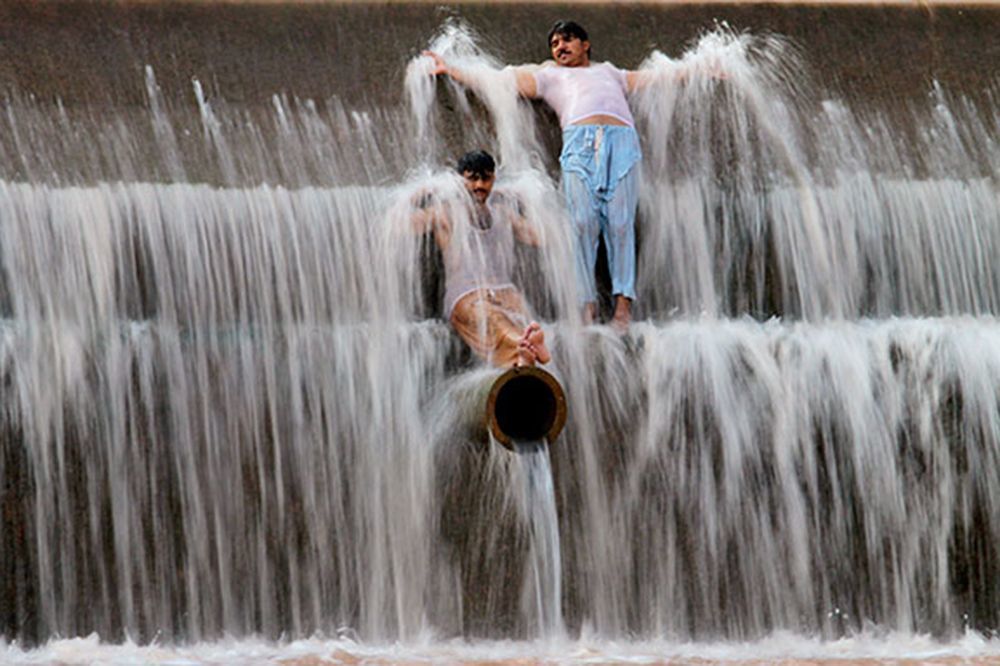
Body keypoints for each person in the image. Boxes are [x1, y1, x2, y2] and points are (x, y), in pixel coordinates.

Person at [426, 20, 648, 329]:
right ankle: (588, 306)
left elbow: (657, 77)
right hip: (579, 145)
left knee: (621, 223)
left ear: (585, 44)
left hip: (622, 143)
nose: (560, 47)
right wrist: (453, 70)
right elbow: (500, 81)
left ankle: (623, 307)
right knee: (581, 223)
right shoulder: (550, 76)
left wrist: (702, 69)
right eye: (555, 43)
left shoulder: (611, 73)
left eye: (567, 40)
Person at [412, 150, 551, 368]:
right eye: (472, 179)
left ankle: (525, 354)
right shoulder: (445, 213)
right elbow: (400, 226)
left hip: (506, 291)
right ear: (460, 180)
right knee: (494, 319)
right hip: (466, 295)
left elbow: (540, 238)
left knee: (524, 319)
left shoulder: (503, 213)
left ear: (494, 178)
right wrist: (418, 194)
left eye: (485, 178)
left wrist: (529, 201)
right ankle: (524, 348)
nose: (479, 185)